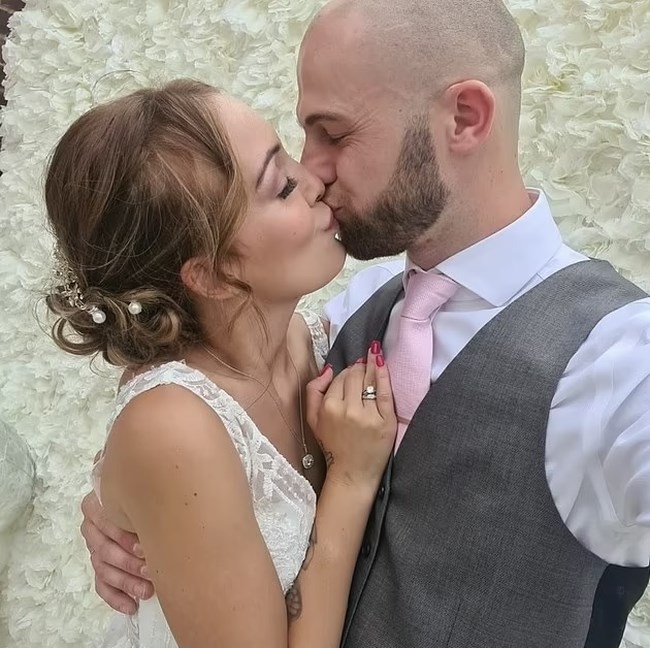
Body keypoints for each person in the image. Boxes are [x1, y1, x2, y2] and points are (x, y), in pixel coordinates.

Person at [82, 1, 650, 647]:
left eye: (334, 133)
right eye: (299, 142)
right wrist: (123, 508)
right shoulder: (350, 308)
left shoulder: (621, 362)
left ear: (465, 118)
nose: (312, 171)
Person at [46, 78, 397, 648]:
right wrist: (352, 481)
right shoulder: (174, 427)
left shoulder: (319, 341)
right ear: (210, 275)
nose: (315, 181)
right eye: (283, 186)